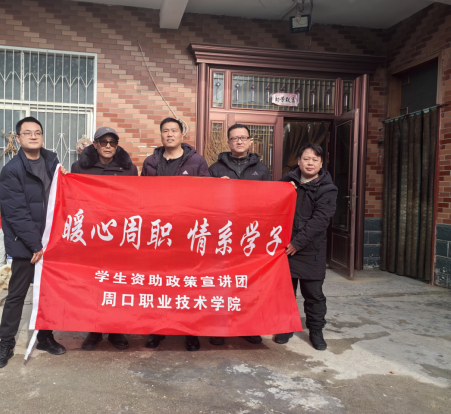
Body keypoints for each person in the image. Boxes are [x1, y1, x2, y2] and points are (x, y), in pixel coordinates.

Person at [0, 116, 68, 368]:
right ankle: (5, 345)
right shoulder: (12, 170)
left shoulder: (52, 162)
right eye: (27, 133)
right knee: (17, 295)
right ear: (18, 138)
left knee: (47, 294)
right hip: (27, 244)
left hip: (50, 241)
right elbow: (16, 212)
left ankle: (45, 337)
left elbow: (61, 197)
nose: (33, 136)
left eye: (38, 132)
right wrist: (35, 245)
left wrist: (67, 178)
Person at [141, 117, 210, 352]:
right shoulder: (150, 162)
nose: (169, 134)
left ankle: (190, 331)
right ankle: (157, 329)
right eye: (165, 131)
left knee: (188, 284)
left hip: (188, 233)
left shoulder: (197, 161)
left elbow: (207, 194)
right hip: (159, 233)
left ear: (182, 134)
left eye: (174, 130)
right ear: (160, 135)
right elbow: (141, 195)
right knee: (159, 283)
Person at [71, 126, 138, 350]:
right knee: (94, 283)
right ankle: (95, 330)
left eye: (112, 142)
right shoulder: (80, 168)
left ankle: (116, 330)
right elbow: (73, 198)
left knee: (116, 284)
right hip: (91, 236)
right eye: (103, 142)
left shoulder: (129, 169)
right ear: (95, 145)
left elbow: (135, 201)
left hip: (119, 236)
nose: (108, 146)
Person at [208, 123, 271, 347]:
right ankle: (219, 328)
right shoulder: (215, 169)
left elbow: (269, 201)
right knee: (222, 283)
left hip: (250, 237)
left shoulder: (261, 169)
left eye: (243, 137)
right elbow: (205, 200)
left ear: (250, 141)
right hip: (223, 236)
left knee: (248, 284)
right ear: (228, 142)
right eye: (235, 138)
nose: (239, 141)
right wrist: (215, 187)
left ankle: (248, 327)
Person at [274, 143, 337, 351]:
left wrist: (297, 243)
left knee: (314, 295)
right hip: (285, 248)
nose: (310, 163)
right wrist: (284, 193)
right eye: (306, 159)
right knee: (286, 293)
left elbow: (320, 220)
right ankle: (285, 327)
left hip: (311, 250)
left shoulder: (328, 188)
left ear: (321, 163)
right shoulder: (286, 182)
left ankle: (316, 331)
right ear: (299, 161)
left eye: (315, 160)